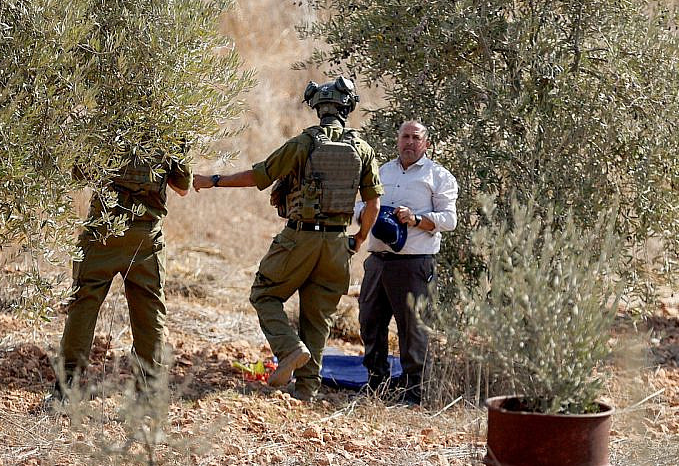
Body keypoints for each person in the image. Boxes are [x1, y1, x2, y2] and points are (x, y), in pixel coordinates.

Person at [195, 77, 383, 401]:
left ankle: (289, 349)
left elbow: (260, 176)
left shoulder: (304, 143)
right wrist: (359, 239)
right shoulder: (362, 149)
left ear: (318, 108)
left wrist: (213, 180)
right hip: (338, 244)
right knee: (318, 318)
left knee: (264, 294)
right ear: (347, 108)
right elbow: (373, 204)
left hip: (301, 238)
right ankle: (306, 392)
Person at [51, 150, 192, 403]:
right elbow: (183, 188)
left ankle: (65, 387)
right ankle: (148, 394)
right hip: (145, 238)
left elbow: (80, 174)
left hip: (102, 234)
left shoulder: (110, 121)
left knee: (83, 305)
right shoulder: (171, 130)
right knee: (149, 313)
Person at [356, 120, 458, 405]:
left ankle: (415, 394)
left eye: (416, 137)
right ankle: (377, 386)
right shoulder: (382, 172)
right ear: (397, 140)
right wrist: (366, 215)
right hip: (377, 262)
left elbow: (449, 220)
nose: (409, 142)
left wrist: (416, 219)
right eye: (405, 136)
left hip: (414, 264)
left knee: (413, 330)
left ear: (426, 143)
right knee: (370, 323)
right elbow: (359, 206)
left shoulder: (438, 176)